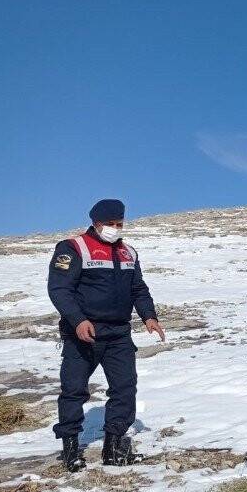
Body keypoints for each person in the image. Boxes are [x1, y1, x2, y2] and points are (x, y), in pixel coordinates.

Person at [47, 199, 165, 472]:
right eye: (109, 224)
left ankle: (113, 448)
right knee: (74, 390)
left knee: (125, 389)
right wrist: (77, 320)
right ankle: (70, 450)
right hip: (83, 333)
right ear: (96, 223)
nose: (114, 228)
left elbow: (138, 289)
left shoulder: (129, 252)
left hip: (119, 334)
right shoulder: (73, 248)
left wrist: (149, 316)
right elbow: (59, 289)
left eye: (119, 224)